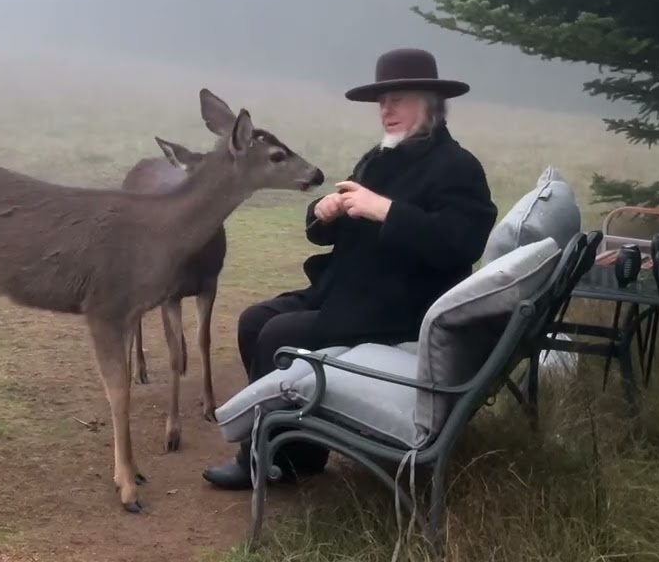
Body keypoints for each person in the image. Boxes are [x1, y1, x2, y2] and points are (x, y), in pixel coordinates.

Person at [202, 47, 499, 490]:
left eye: (398, 99)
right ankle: (300, 450)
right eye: (382, 101)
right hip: (345, 291)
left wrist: (385, 210)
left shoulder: (458, 167)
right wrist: (322, 214)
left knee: (279, 336)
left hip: (398, 308)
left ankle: (260, 458)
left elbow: (462, 242)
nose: (387, 110)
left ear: (431, 103)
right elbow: (332, 230)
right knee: (254, 321)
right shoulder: (379, 158)